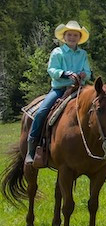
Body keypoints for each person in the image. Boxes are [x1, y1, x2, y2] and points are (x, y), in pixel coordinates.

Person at [26, 21, 92, 166]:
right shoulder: (58, 52)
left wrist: (83, 75)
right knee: (41, 112)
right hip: (60, 89)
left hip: (80, 89)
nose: (72, 37)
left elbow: (88, 72)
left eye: (75, 35)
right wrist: (65, 74)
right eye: (69, 35)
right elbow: (52, 70)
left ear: (79, 38)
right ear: (64, 37)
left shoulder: (83, 54)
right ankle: (31, 149)